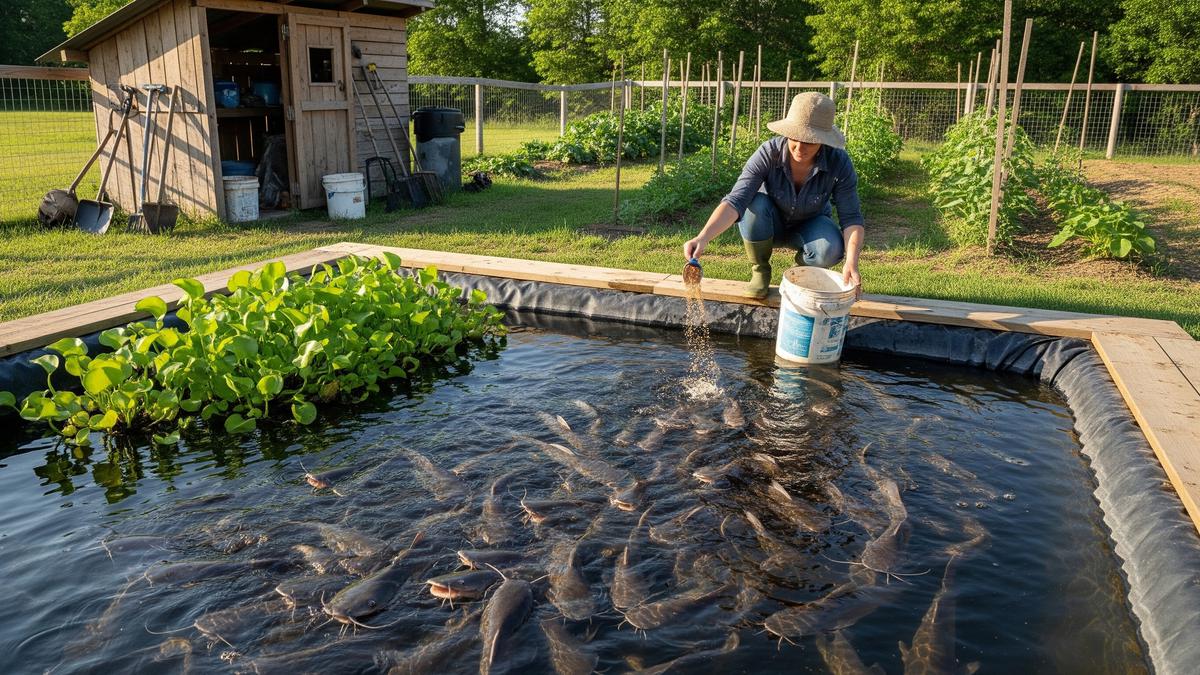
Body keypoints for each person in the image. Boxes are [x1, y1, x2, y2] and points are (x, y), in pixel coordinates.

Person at [682, 92, 864, 299]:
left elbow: (852, 218)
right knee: (754, 205)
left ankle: (800, 273)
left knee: (829, 250)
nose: (800, 147)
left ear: (823, 140)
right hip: (768, 223)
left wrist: (851, 262)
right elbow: (735, 200)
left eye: (810, 141)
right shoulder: (768, 153)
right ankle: (760, 270)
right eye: (795, 137)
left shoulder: (838, 162)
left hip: (812, 225)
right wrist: (703, 237)